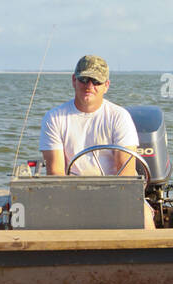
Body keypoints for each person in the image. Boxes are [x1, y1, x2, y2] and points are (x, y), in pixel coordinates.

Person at [39, 55, 155, 227]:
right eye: (84, 79)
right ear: (74, 80)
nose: (89, 86)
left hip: (117, 193)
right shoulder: (54, 117)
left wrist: (103, 203)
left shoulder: (119, 117)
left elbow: (126, 172)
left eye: (96, 81)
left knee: (144, 219)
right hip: (70, 194)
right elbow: (55, 173)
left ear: (106, 86)